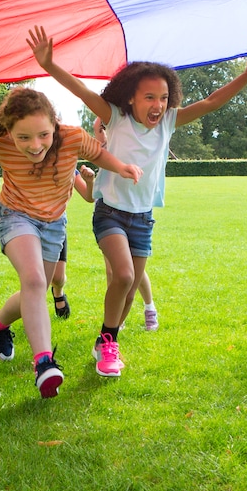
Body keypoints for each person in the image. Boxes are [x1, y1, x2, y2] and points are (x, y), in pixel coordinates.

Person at [30, 25, 247, 376]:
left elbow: (212, 101)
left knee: (126, 295)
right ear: (131, 99)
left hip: (143, 219)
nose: (158, 105)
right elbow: (80, 90)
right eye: (150, 97)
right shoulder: (116, 117)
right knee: (123, 276)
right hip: (110, 212)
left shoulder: (169, 122)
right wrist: (49, 65)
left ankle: (105, 341)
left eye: (164, 97)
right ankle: (110, 342)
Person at [0, 87, 141, 398]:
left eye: (43, 135)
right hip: (15, 217)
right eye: (24, 138)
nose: (35, 146)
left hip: (53, 224)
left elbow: (98, 153)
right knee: (32, 280)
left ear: (55, 125)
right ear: (9, 133)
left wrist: (122, 167)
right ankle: (44, 363)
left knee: (37, 289)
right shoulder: (1, 142)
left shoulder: (71, 137)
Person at [89, 117, 160, 332]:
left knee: (132, 274)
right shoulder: (102, 150)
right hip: (109, 212)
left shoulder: (128, 139)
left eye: (102, 130)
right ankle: (113, 327)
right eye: (98, 132)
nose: (100, 135)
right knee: (117, 272)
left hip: (138, 214)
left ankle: (149, 307)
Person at [49, 165, 96, 320]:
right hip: (29, 226)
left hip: (56, 226)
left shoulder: (67, 165)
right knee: (37, 278)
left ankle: (58, 292)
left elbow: (89, 197)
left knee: (58, 278)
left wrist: (89, 181)